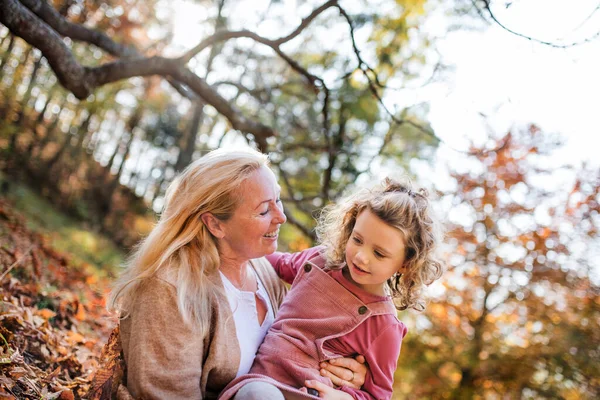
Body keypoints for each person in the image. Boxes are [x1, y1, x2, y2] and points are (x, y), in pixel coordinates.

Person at [107, 148, 368, 400]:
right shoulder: (171, 289)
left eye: (277, 199)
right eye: (264, 210)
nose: (281, 217)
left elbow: (298, 352)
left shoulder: (266, 273)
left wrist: (349, 379)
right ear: (215, 224)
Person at [219, 178, 445, 400]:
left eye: (379, 253)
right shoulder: (319, 261)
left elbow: (378, 394)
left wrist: (344, 396)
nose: (361, 256)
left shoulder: (383, 325)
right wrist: (229, 242)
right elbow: (275, 262)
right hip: (263, 383)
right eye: (357, 240)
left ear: (406, 264)